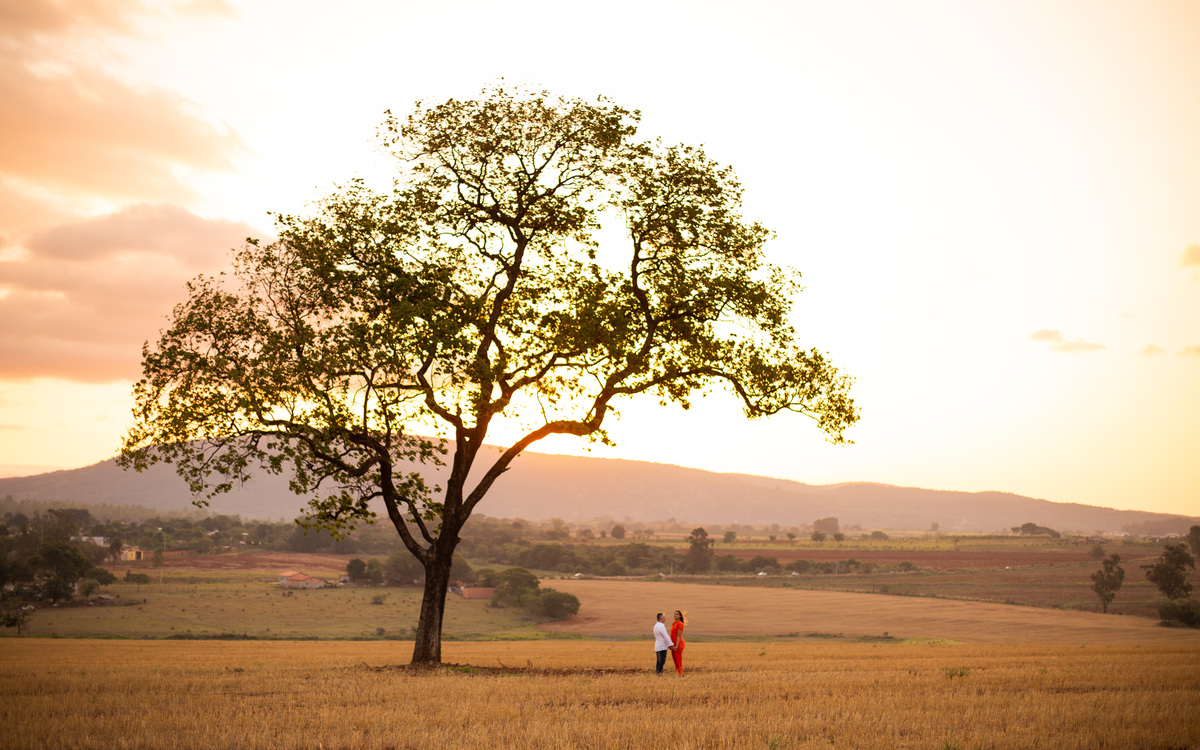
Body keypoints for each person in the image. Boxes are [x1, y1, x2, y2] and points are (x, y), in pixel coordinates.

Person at [670, 609, 687, 675]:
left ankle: (680, 673)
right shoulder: (673, 623)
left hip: (678, 643)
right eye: (674, 614)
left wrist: (676, 645)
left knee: (678, 659)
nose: (675, 615)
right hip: (673, 643)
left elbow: (679, 636)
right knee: (674, 659)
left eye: (677, 614)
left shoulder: (679, 624)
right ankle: (678, 672)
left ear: (680, 616)